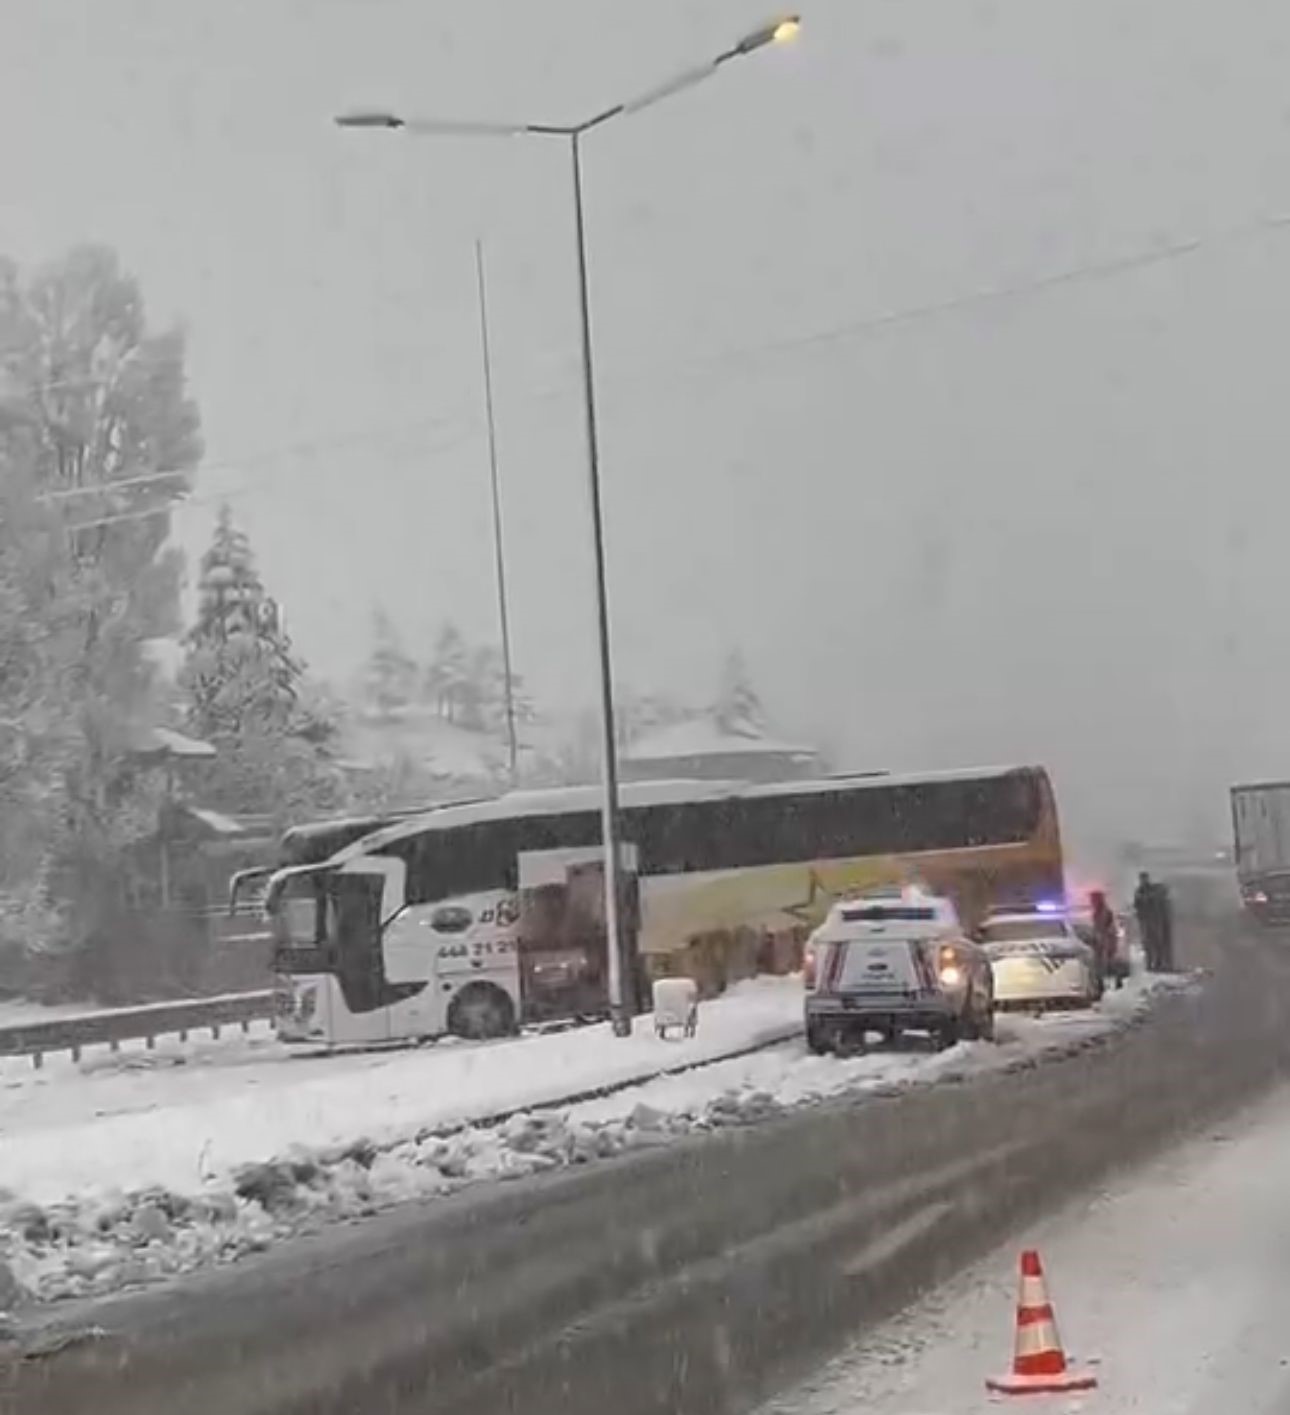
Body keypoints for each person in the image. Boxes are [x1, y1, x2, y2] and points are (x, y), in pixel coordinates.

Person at [1089, 889, 1123, 989]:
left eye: (1093, 899)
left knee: (1108, 962)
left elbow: (1105, 927)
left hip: (1107, 941)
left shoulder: (1104, 912)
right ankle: (1103, 983)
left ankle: (1115, 980)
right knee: (1103, 963)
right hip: (1103, 941)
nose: (1092, 902)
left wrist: (1103, 938)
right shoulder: (1098, 912)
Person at [1134, 871, 1163, 972]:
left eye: (1144, 879)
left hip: (1153, 919)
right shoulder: (1139, 891)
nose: (1143, 881)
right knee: (1147, 943)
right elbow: (1137, 905)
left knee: (1156, 942)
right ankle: (1149, 963)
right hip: (1145, 920)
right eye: (1142, 879)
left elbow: (1155, 901)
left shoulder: (1151, 890)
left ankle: (1157, 962)